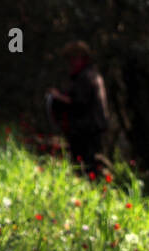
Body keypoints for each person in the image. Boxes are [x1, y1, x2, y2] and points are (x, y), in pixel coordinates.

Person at [47, 41, 109, 178]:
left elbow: (79, 103)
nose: (71, 63)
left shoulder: (87, 77)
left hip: (87, 129)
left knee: (87, 164)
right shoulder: (90, 75)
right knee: (85, 163)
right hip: (89, 127)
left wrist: (57, 97)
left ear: (82, 58)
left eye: (73, 58)